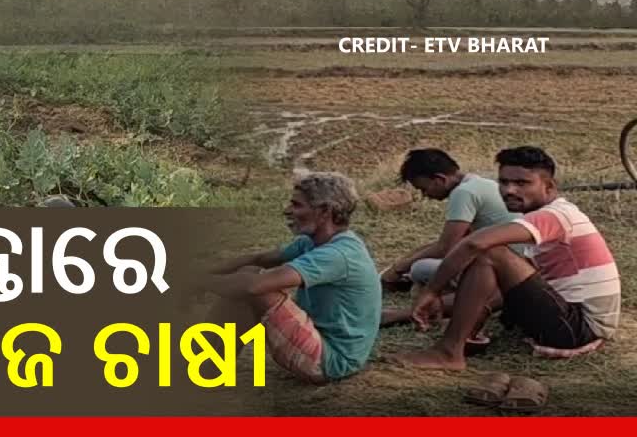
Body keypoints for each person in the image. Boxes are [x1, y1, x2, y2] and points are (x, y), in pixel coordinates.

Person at [389, 146, 621, 371]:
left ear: (549, 187)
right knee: (494, 259)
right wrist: (477, 310)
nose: (509, 190)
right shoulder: (548, 216)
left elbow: (473, 243)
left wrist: (431, 291)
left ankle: (449, 352)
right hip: (571, 319)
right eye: (504, 182)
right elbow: (515, 282)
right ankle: (451, 341)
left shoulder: (555, 216)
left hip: (580, 327)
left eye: (522, 183)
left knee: (490, 252)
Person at [190, 172, 382, 384]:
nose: (287, 210)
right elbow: (259, 258)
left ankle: (204, 366)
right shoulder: (316, 242)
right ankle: (206, 365)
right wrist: (203, 273)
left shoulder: (337, 255)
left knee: (252, 285)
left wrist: (199, 282)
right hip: (320, 343)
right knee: (248, 277)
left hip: (332, 361)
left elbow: (255, 286)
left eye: (297, 205)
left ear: (325, 211)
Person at [379, 148, 522, 327]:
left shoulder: (463, 193)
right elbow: (452, 242)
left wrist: (398, 269)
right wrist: (402, 263)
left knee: (419, 269)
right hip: (517, 263)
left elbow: (445, 247)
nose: (425, 195)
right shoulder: (480, 183)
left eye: (424, 188)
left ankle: (405, 313)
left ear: (440, 179)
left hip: (502, 271)